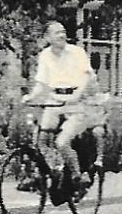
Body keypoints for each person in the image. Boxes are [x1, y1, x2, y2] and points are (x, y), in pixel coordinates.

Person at [29, 21, 105, 196]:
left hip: (75, 102)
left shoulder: (76, 53)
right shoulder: (45, 56)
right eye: (56, 33)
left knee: (62, 142)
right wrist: (31, 97)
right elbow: (41, 84)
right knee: (40, 139)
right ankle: (51, 171)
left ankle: (78, 177)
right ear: (47, 37)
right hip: (54, 100)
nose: (61, 35)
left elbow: (86, 78)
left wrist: (77, 95)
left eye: (63, 32)